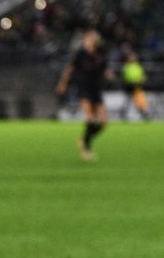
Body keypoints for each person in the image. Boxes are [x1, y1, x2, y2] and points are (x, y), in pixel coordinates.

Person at [55, 30, 114, 161]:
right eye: (86, 40)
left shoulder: (99, 54)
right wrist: (62, 83)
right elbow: (69, 69)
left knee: (103, 122)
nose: (88, 42)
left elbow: (104, 68)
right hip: (83, 87)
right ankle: (86, 150)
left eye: (90, 39)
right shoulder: (80, 55)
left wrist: (108, 74)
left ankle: (83, 139)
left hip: (96, 88)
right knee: (89, 119)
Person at [119, 45, 148, 119]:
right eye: (132, 57)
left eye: (134, 57)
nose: (133, 58)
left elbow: (142, 76)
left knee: (139, 100)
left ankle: (143, 113)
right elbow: (125, 76)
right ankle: (123, 113)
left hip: (137, 86)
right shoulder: (126, 66)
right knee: (128, 101)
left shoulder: (138, 66)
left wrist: (142, 80)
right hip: (129, 86)